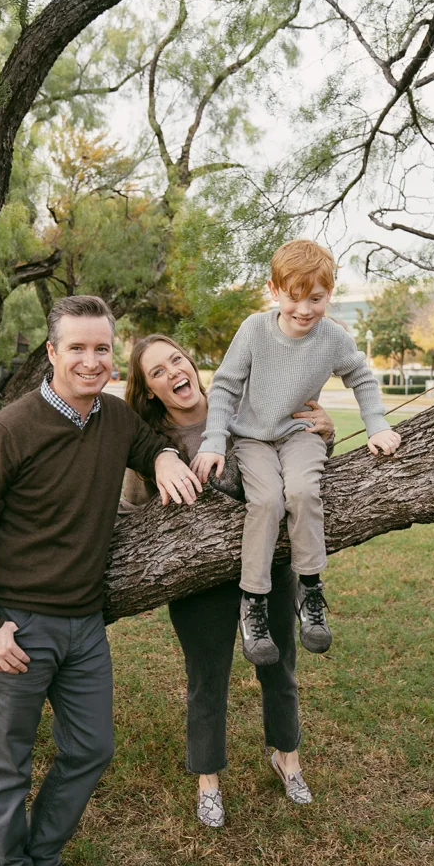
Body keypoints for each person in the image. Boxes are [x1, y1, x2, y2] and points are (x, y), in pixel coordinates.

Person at [0, 296, 201, 866]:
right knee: (8, 766)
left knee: (90, 750)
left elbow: (147, 442)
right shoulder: (8, 431)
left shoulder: (114, 418)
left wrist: (165, 459)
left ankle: (39, 856)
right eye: (77, 348)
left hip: (85, 626)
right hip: (16, 629)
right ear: (53, 353)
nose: (91, 360)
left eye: (101, 349)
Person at [123, 334, 336, 828]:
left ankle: (287, 758)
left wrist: (323, 430)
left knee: (279, 666)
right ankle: (209, 783)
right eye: (157, 371)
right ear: (150, 389)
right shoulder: (151, 444)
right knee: (207, 678)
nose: (173, 372)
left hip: (269, 568)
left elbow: (303, 454)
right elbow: (130, 512)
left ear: (191, 363)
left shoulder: (247, 404)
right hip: (197, 582)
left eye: (177, 359)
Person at [192, 239, 402, 666]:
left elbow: (362, 377)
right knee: (267, 501)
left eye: (316, 298)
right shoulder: (254, 329)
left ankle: (310, 590)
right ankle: (253, 601)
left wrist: (376, 425)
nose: (305, 309)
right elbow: (226, 386)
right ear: (274, 290)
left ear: (330, 294)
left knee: (303, 492)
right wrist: (215, 440)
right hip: (252, 438)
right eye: (294, 297)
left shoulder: (334, 338)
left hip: (301, 432)